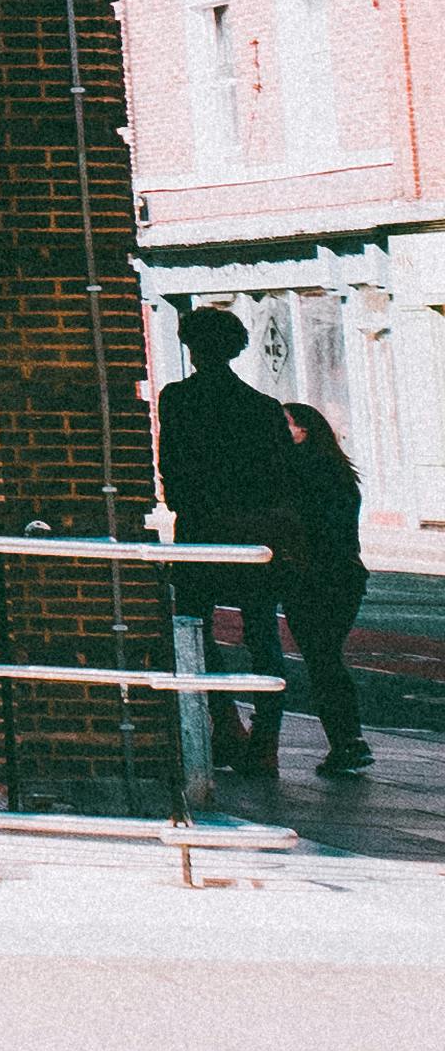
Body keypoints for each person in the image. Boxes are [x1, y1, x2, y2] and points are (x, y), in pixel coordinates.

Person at [154, 305, 303, 768]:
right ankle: (267, 741)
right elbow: (281, 475)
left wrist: (188, 501)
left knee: (194, 629)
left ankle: (226, 720)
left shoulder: (178, 398)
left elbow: (171, 467)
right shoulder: (262, 407)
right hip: (253, 528)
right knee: (262, 630)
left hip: (201, 527)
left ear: (192, 347)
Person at [279, 400, 378, 778]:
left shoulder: (299, 471)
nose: (280, 433)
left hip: (312, 576)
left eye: (285, 425)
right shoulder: (340, 470)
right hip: (347, 576)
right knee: (326, 658)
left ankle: (348, 742)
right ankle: (348, 741)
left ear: (304, 429)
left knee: (322, 660)